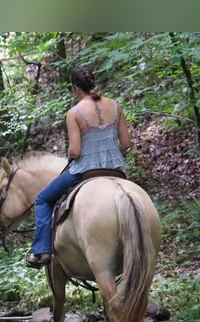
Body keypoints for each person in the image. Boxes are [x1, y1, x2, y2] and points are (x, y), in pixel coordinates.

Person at [25, 66, 132, 268]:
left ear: (75, 88)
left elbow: (75, 151)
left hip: (85, 172)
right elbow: (126, 144)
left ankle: (42, 250)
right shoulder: (115, 107)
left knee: (41, 200)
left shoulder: (74, 113)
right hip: (117, 171)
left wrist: (73, 155)